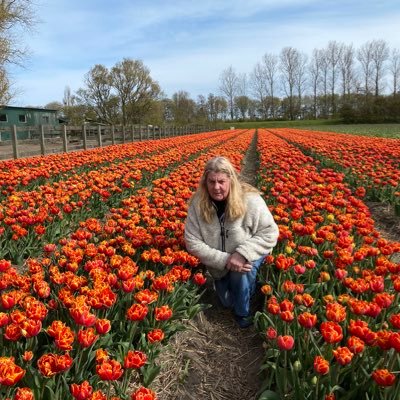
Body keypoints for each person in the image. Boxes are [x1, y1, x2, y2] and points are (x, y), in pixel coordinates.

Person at [184, 156, 279, 328]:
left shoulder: (250, 200)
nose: (216, 187)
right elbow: (192, 241)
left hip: (249, 255)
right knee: (226, 301)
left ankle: (243, 314)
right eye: (211, 181)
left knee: (241, 273)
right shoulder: (198, 204)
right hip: (219, 262)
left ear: (231, 180)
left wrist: (242, 254)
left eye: (221, 181)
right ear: (205, 182)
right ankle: (245, 289)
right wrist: (226, 260)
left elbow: (270, 232)